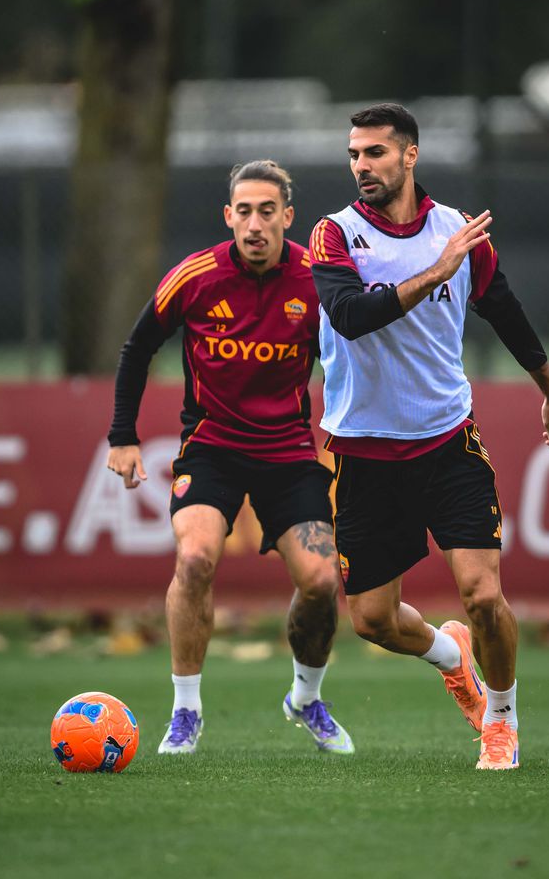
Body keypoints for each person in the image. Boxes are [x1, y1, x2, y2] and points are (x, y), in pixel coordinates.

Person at [309, 103, 549, 770]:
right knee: (371, 620)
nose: (361, 166)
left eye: (374, 153)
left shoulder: (459, 230)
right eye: (354, 154)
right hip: (364, 453)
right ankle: (452, 658)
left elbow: (503, 308)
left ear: (410, 155)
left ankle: (502, 721)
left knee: (484, 594)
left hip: (446, 441)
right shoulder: (333, 234)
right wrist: (435, 270)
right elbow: (348, 316)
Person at [107, 159, 354, 756]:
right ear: (228, 217)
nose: (255, 224)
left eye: (267, 212)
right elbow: (139, 346)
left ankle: (306, 697)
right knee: (194, 559)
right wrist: (122, 435)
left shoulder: (316, 280)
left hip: (289, 452)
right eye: (243, 211)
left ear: (287, 218)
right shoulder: (195, 276)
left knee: (322, 581)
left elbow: (355, 358)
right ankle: (185, 713)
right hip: (212, 447)